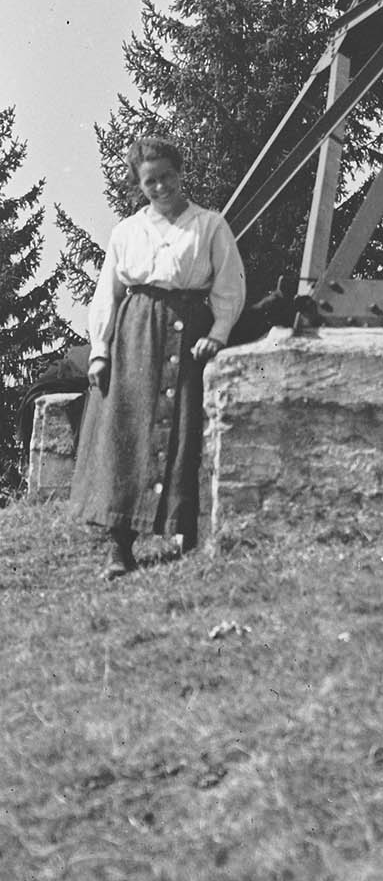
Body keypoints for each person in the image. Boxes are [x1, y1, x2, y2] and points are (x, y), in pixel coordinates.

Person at [71, 130, 245, 578]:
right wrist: (100, 351)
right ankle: (119, 546)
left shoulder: (209, 224)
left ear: (181, 174)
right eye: (151, 182)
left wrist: (220, 332)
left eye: (167, 177)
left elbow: (229, 284)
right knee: (126, 430)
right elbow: (107, 293)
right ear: (139, 185)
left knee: (185, 429)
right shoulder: (127, 231)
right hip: (136, 335)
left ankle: (185, 530)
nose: (161, 187)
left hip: (190, 334)